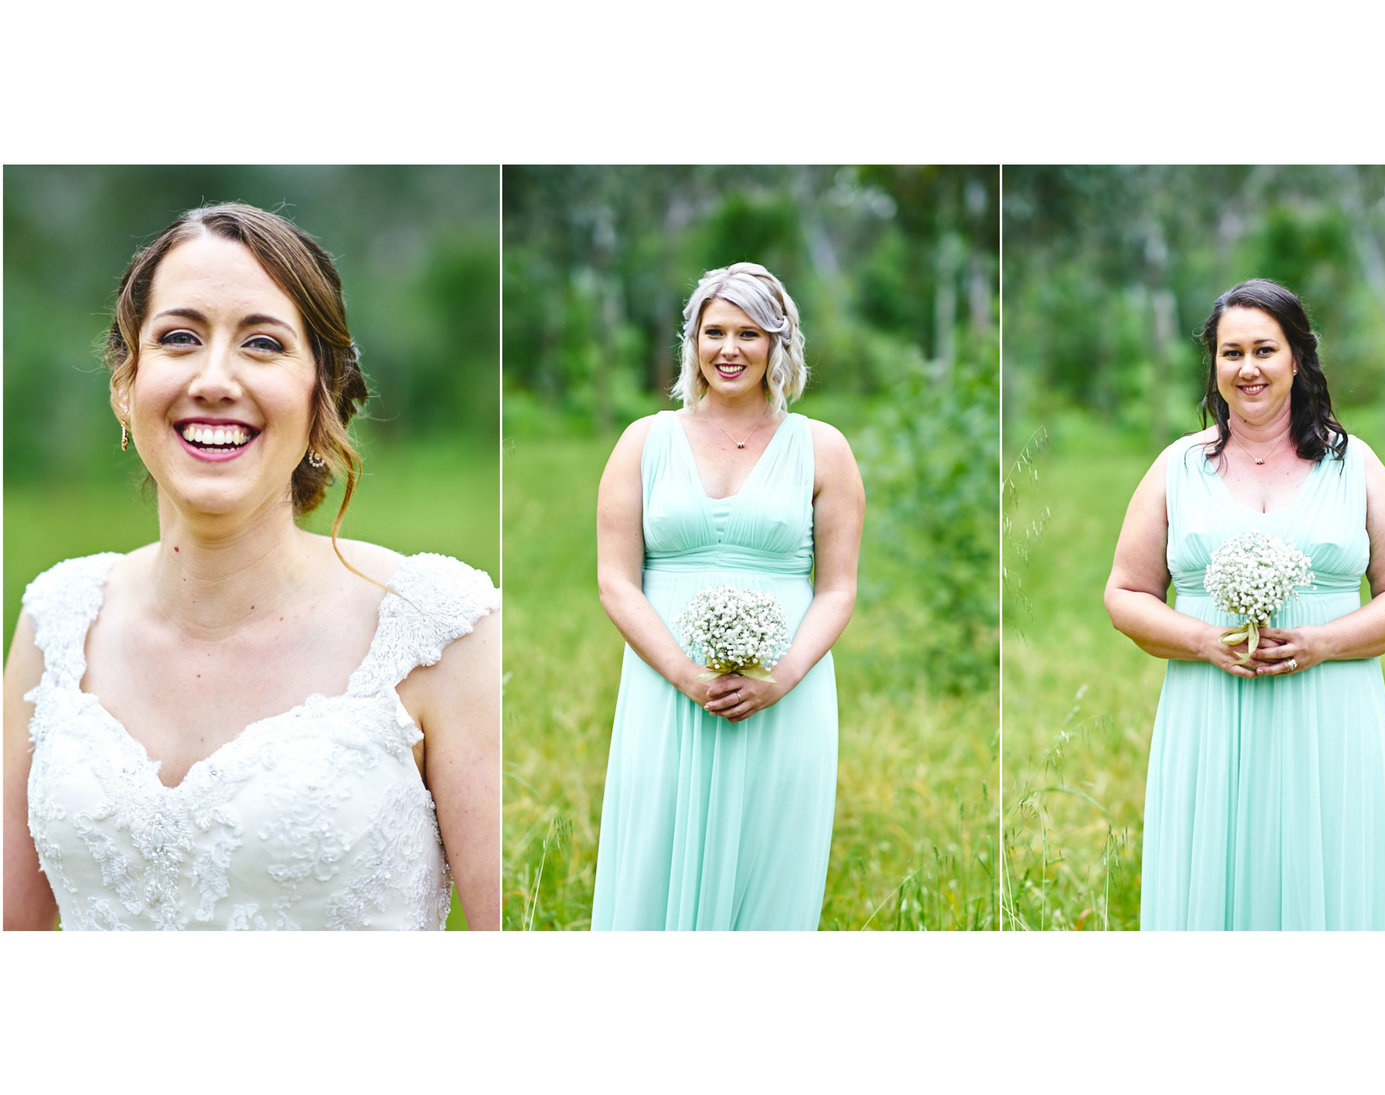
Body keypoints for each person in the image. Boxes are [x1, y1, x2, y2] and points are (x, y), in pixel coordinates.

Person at [2, 203, 500, 930]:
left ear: (320, 392)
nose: (214, 378)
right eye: (178, 337)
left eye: (262, 344)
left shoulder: (436, 628)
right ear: (124, 384)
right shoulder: (57, 620)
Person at [1103, 278, 1385, 930]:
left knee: (1328, 882)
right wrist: (1199, 639)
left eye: (1264, 350)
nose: (1247, 369)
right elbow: (1124, 593)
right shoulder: (1178, 466)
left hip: (1331, 713)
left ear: (1298, 358)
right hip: (1209, 713)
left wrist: (1324, 642)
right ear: (1214, 364)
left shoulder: (1354, 465)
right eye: (1230, 353)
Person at [589, 262, 862, 930]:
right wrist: (684, 673)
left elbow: (837, 588)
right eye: (715, 331)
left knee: (769, 865)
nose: (730, 348)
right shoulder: (644, 441)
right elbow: (616, 581)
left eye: (749, 332)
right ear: (693, 342)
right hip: (664, 690)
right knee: (653, 861)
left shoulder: (823, 449)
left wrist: (781, 677)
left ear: (779, 343)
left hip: (784, 697)